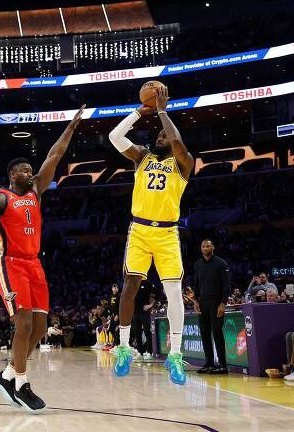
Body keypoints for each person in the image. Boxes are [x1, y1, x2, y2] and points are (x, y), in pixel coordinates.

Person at [0, 105, 85, 413]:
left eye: (30, 169)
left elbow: (54, 156)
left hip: (35, 263)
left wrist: (71, 128)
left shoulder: (35, 191)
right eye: (24, 170)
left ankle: (7, 375)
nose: (30, 172)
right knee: (22, 325)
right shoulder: (0, 198)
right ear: (12, 175)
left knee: (39, 328)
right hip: (9, 263)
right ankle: (21, 383)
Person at [107, 83, 194, 384]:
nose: (158, 138)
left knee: (173, 293)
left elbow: (179, 143)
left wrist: (162, 113)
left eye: (163, 136)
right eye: (157, 135)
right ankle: (123, 348)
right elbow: (114, 137)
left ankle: (176, 355)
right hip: (140, 230)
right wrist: (137, 112)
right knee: (130, 285)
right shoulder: (142, 157)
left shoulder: (183, 164)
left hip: (168, 234)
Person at [192, 239, 231, 374]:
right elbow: (196, 284)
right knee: (204, 333)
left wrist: (223, 303)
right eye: (203, 246)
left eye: (208, 246)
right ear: (200, 248)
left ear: (213, 247)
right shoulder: (197, 264)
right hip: (202, 303)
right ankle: (209, 363)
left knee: (217, 333)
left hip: (216, 303)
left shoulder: (221, 263)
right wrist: (195, 301)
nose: (205, 248)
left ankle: (222, 365)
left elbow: (227, 285)